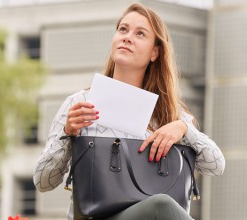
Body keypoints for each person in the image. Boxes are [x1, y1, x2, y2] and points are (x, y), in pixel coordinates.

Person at [33, 3, 225, 220]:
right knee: (161, 205)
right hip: (93, 216)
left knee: (160, 207)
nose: (127, 37)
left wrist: (183, 129)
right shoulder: (80, 104)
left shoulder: (170, 114)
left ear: (155, 52)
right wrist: (67, 135)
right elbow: (43, 182)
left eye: (140, 33)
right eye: (122, 29)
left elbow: (216, 165)